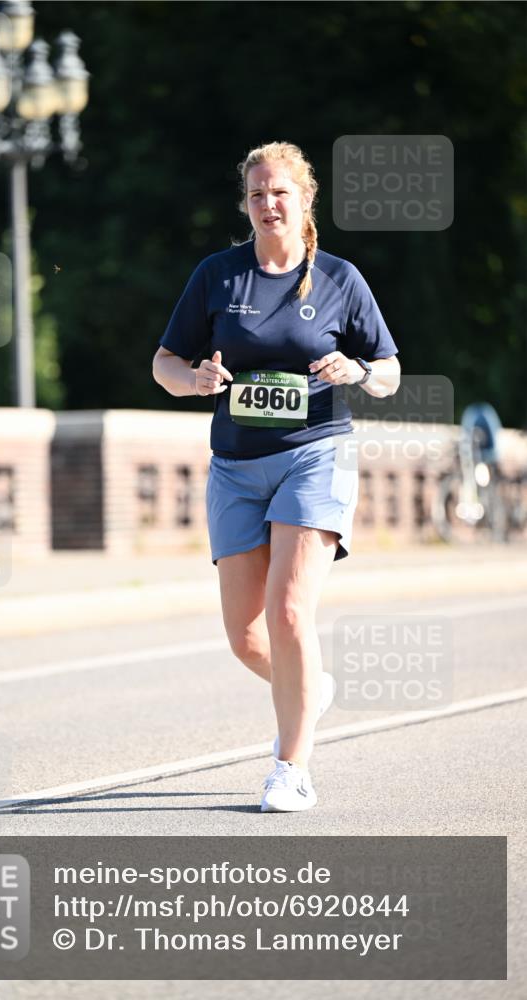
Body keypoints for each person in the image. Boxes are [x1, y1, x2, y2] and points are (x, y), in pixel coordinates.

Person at [153, 141, 400, 812]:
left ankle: (290, 769)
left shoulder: (341, 280)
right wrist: (193, 379)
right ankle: (308, 688)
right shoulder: (218, 275)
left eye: (280, 192)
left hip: (314, 453)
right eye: (257, 193)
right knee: (245, 636)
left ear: (304, 199)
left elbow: (387, 371)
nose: (268, 203)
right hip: (234, 466)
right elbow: (164, 361)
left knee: (290, 611)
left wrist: (357, 371)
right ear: (245, 203)